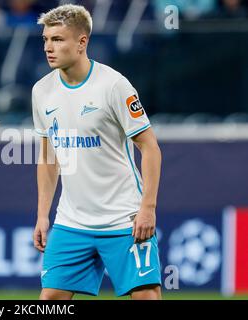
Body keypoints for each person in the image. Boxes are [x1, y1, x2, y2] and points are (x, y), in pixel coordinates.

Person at [32, 4, 162, 300]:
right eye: (46, 40)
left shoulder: (114, 85)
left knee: (146, 297)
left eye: (57, 39)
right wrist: (42, 215)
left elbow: (150, 147)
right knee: (49, 299)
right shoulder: (41, 91)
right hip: (72, 222)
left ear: (81, 42)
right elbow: (48, 157)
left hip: (123, 219)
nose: (48, 48)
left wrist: (148, 208)